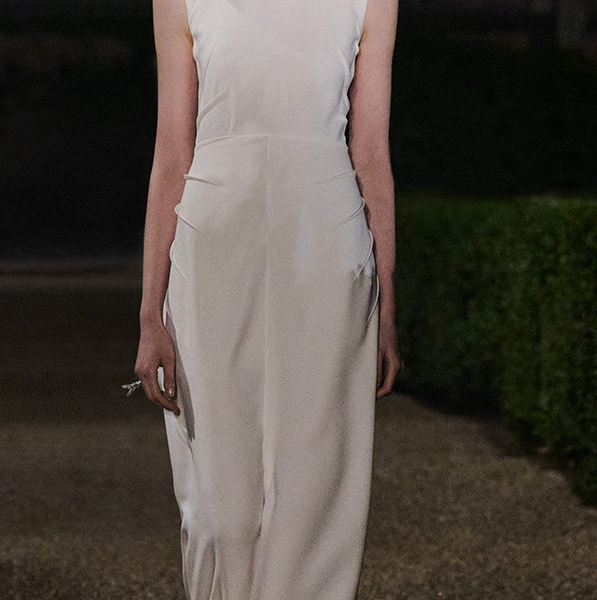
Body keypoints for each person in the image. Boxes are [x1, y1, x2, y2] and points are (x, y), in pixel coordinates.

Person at [133, 0, 401, 596]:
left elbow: (371, 154)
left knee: (316, 480)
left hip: (326, 242)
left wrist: (387, 306)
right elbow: (172, 152)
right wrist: (150, 312)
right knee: (218, 502)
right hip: (212, 242)